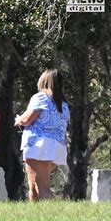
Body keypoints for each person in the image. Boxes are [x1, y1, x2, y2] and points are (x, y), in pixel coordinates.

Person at [15, 69, 69, 201]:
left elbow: (27, 119)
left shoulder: (40, 98)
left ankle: (50, 215)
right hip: (57, 145)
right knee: (33, 185)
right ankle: (36, 214)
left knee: (42, 187)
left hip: (39, 145)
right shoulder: (63, 103)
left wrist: (18, 120)